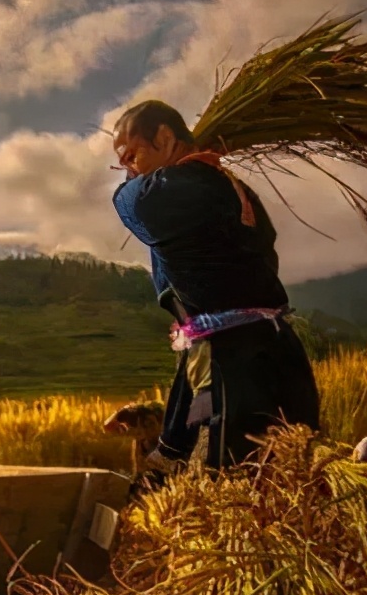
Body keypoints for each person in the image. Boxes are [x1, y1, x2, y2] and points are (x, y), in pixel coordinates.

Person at [110, 100, 320, 471]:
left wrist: (131, 180)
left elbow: (131, 202)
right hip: (270, 348)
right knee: (284, 474)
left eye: (131, 154)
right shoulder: (230, 186)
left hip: (233, 363)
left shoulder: (171, 190)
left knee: (233, 479)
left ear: (163, 136)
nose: (128, 167)